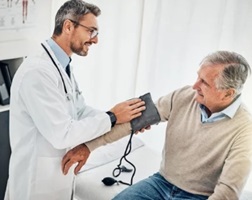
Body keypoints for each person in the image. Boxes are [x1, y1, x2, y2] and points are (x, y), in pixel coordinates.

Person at [3, 0, 146, 200]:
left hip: (58, 177)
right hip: (35, 183)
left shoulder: (62, 66)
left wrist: (125, 119)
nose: (95, 40)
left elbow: (79, 111)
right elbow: (62, 133)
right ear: (68, 26)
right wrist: (112, 117)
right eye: (91, 31)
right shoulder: (37, 72)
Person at [63, 51, 252, 200]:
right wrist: (88, 147)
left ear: (227, 94)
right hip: (161, 182)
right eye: (198, 77)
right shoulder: (183, 96)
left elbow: (227, 192)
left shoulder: (245, 129)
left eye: (204, 83)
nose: (194, 86)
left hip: (200, 196)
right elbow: (132, 122)